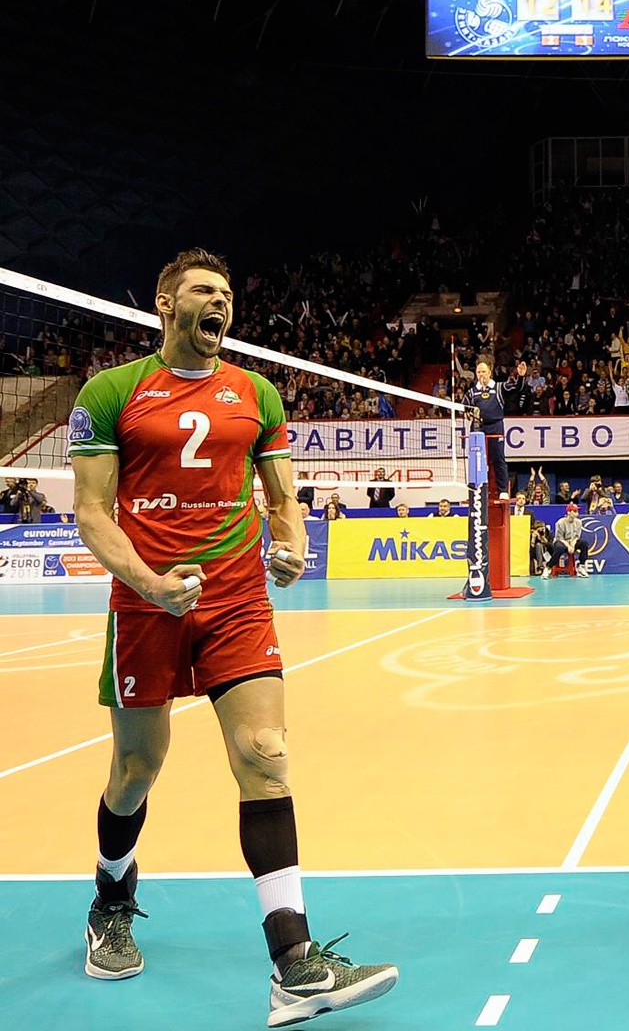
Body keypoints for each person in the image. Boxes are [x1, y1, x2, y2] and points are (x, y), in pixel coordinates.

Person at [66, 249, 395, 1021]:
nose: (222, 304)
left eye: (227, 294)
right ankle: (111, 898)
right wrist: (148, 582)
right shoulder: (111, 392)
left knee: (264, 755)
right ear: (165, 304)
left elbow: (283, 502)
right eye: (204, 292)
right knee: (137, 769)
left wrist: (293, 547)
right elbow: (90, 513)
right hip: (148, 602)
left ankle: (296, 965)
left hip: (237, 598)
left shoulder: (258, 394)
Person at [466, 360, 509, 499]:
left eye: (483, 371)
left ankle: (503, 490)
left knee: (498, 458)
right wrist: (467, 412)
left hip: (496, 426)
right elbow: (464, 407)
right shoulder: (472, 392)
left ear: (489, 372)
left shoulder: (498, 387)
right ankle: (475, 489)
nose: (481, 374)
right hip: (478, 427)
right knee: (476, 459)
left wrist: (520, 377)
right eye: (478, 372)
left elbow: (517, 388)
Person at [549, 503, 586, 577]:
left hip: (572, 541)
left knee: (584, 544)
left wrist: (573, 544)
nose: (577, 513)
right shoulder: (560, 522)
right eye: (574, 511)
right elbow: (559, 538)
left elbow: (577, 537)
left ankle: (581, 567)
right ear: (569, 512)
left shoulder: (579, 522)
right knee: (559, 548)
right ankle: (548, 567)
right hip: (561, 541)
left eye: (577, 511)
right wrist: (568, 546)